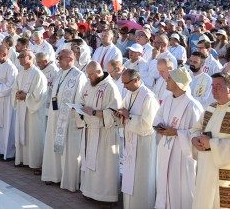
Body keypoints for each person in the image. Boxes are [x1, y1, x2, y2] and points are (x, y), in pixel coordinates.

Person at [191, 72, 230, 209]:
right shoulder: (210, 108)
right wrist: (194, 139)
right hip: (205, 170)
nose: (214, 90)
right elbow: (195, 129)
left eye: (218, 86)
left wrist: (211, 144)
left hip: (226, 172)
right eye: (213, 86)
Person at [153, 68, 203, 209]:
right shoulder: (168, 99)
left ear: (178, 83)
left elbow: (197, 134)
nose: (166, 81)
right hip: (166, 149)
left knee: (181, 188)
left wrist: (177, 133)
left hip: (182, 154)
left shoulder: (192, 106)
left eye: (169, 79)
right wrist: (159, 127)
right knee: (164, 184)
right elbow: (158, 118)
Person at [41, 48, 85, 190]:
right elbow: (55, 92)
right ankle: (54, 176)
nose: (58, 60)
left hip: (69, 121)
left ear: (70, 59)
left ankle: (67, 181)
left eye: (60, 58)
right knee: (53, 146)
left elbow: (80, 100)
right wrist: (53, 108)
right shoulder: (59, 73)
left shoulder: (79, 76)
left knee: (68, 151)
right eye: (58, 57)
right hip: (56, 116)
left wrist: (77, 118)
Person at [79, 60, 122, 203]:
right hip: (90, 130)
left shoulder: (110, 87)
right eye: (88, 74)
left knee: (103, 164)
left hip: (104, 133)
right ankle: (89, 191)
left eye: (91, 74)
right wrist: (79, 109)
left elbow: (115, 112)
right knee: (90, 162)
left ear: (99, 72)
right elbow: (82, 100)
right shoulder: (88, 84)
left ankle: (105, 197)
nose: (89, 77)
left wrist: (95, 112)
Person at [117, 68, 157, 209]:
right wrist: (120, 114)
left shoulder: (148, 97)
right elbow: (124, 109)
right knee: (130, 176)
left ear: (136, 80)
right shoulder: (131, 93)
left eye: (126, 83)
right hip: (131, 142)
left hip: (143, 146)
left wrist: (129, 117)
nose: (124, 86)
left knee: (140, 179)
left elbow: (149, 126)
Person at [12, 49, 48, 175]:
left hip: (33, 111)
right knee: (23, 133)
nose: (20, 59)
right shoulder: (20, 73)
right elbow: (15, 88)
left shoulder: (38, 74)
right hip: (22, 108)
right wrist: (16, 94)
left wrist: (26, 97)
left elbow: (40, 95)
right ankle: (22, 159)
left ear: (30, 57)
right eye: (19, 56)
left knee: (33, 135)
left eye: (22, 56)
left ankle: (35, 163)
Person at [0, 44, 18, 160]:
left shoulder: (11, 68)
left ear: (4, 54)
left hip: (6, 102)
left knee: (6, 125)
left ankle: (8, 152)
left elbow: (10, 86)